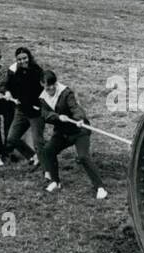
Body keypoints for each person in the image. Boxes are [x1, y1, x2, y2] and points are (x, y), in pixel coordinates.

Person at [38, 69, 107, 199]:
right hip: (62, 133)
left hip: (79, 131)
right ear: (42, 84)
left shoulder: (65, 93)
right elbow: (46, 115)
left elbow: (75, 107)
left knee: (83, 156)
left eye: (53, 84)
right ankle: (55, 181)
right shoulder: (42, 98)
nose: (51, 87)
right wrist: (58, 117)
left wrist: (79, 119)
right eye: (48, 86)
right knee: (48, 150)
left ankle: (100, 187)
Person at [0, 46, 45, 162]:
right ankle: (32, 156)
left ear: (29, 57)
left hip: (35, 112)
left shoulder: (37, 71)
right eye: (19, 59)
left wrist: (37, 104)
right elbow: (8, 85)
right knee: (11, 138)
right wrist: (8, 92)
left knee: (38, 142)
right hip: (21, 110)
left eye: (24, 58)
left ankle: (46, 166)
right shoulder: (17, 71)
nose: (22, 61)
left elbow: (43, 91)